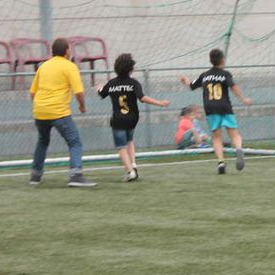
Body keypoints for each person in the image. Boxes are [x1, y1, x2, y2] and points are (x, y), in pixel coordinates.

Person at [28, 37, 94, 187]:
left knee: (43, 142)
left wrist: (41, 106)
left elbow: (32, 92)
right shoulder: (69, 67)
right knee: (75, 142)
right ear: (66, 51)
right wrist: (82, 106)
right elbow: (79, 92)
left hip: (40, 111)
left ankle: (35, 176)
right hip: (58, 111)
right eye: (69, 48)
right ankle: (76, 175)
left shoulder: (43, 66)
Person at [97, 53, 170, 182]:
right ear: (131, 69)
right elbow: (142, 98)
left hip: (118, 120)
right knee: (129, 140)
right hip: (132, 119)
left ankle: (130, 171)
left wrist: (99, 88)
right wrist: (160, 103)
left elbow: (102, 93)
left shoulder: (111, 83)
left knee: (121, 147)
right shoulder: (134, 83)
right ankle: (134, 164)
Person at [180, 48, 253, 174]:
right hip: (225, 106)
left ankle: (221, 162)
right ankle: (239, 149)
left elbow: (192, 85)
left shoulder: (205, 75)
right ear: (222, 60)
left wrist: (185, 81)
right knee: (234, 134)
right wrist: (243, 99)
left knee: (216, 137)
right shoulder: (225, 74)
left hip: (210, 108)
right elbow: (233, 87)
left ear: (210, 60)